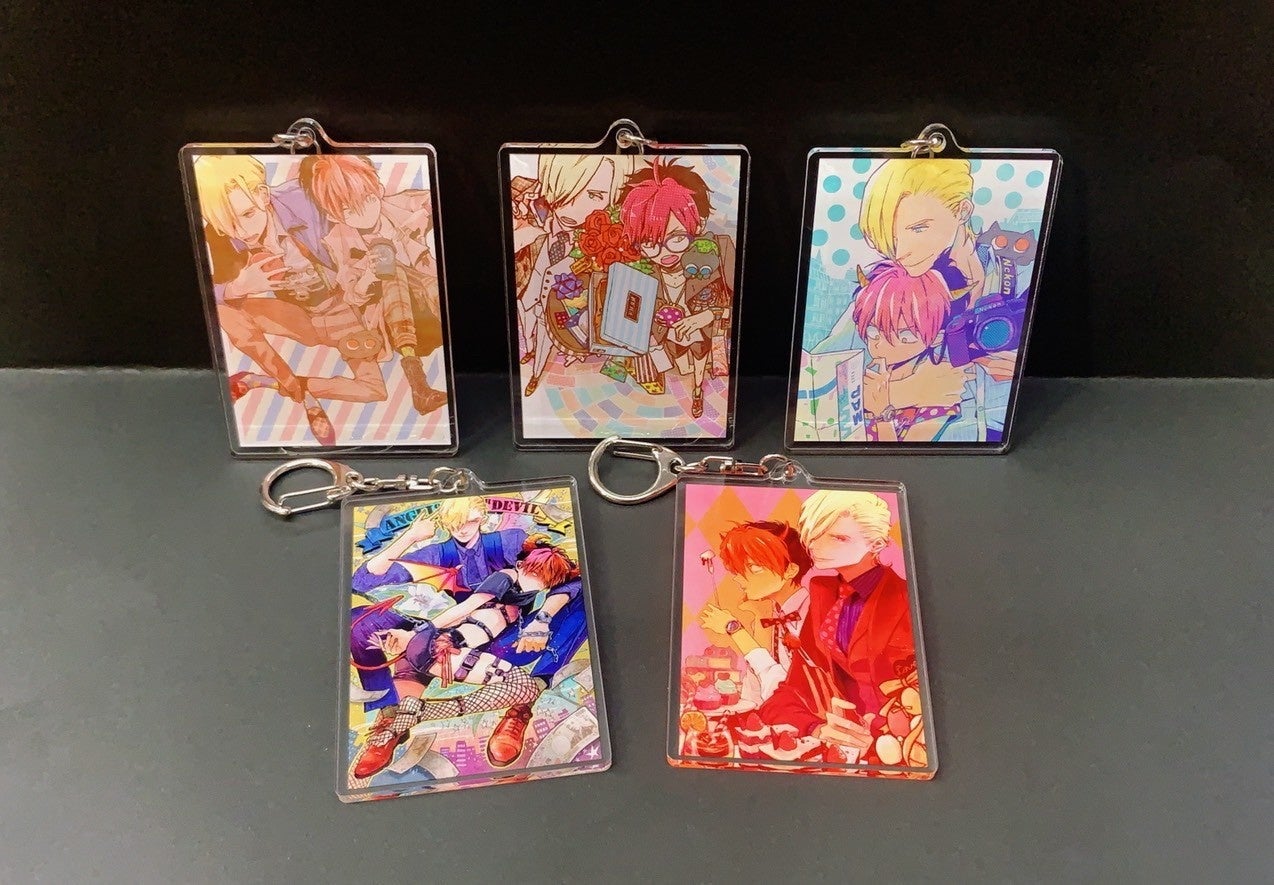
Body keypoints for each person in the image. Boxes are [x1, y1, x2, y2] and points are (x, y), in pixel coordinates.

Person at [193, 155, 389, 445]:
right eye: (229, 225)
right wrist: (237, 287)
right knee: (226, 312)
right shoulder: (218, 234)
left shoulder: (304, 198)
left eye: (247, 215)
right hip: (297, 316)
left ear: (263, 195)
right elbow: (212, 293)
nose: (243, 232)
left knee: (374, 390)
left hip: (343, 307)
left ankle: (266, 383)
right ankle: (292, 385)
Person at [350, 539, 582, 777]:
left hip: (474, 646)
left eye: (544, 580)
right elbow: (464, 608)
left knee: (527, 687)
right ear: (521, 565)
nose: (537, 583)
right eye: (534, 574)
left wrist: (543, 618)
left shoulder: (514, 551)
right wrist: (420, 632)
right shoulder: (503, 578)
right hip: (442, 645)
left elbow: (572, 580)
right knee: (525, 688)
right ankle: (395, 718)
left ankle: (413, 714)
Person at [759, 491, 917, 753]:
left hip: (902, 745)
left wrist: (887, 740)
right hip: (844, 747)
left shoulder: (907, 600)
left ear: (876, 544)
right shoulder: (824, 596)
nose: (817, 547)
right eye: (814, 535)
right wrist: (815, 727)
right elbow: (794, 689)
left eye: (838, 538)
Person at [300, 154, 448, 416]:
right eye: (349, 210)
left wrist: (422, 215)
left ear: (378, 190)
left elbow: (441, 198)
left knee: (428, 285)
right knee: (394, 276)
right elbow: (351, 295)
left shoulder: (401, 205)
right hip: (398, 326)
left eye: (367, 200)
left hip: (435, 309)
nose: (363, 214)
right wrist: (369, 275)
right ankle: (419, 385)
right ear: (333, 215)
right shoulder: (337, 240)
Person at [617, 160, 735, 418]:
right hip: (669, 337)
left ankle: (697, 391)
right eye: (649, 243)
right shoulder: (642, 271)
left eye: (677, 238)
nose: (664, 252)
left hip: (703, 332)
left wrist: (707, 316)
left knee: (698, 355)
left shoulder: (718, 250)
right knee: (681, 363)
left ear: (698, 225)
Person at [512, 154, 632, 395]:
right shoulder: (537, 219)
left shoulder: (599, 244)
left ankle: (535, 375)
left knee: (545, 338)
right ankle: (531, 350)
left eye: (595, 196)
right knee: (527, 323)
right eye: (567, 191)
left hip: (559, 308)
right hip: (530, 297)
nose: (573, 207)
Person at [697, 521, 813, 702]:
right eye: (736, 569)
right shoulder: (771, 615)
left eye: (753, 568)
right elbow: (755, 696)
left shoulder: (815, 613)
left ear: (790, 570)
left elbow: (789, 692)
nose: (738, 578)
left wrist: (734, 629)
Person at [852, 263, 969, 442]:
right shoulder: (861, 378)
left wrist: (881, 413)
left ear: (937, 337)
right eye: (873, 331)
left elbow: (901, 456)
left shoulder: (941, 392)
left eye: (905, 336)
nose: (882, 344)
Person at [352, 495, 528, 594]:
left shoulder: (509, 540)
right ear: (445, 523)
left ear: (482, 518)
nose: (463, 530)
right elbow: (362, 581)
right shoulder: (437, 554)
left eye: (471, 521)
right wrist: (409, 537)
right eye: (455, 523)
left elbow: (544, 560)